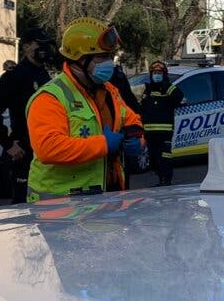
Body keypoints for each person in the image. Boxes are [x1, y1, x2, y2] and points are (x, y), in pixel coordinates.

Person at [26, 18, 144, 199]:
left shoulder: (108, 91)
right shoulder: (50, 97)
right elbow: (48, 148)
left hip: (104, 201)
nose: (109, 63)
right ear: (79, 59)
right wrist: (103, 144)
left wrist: (137, 138)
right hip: (59, 210)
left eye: (109, 57)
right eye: (102, 57)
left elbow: (131, 120)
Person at [0, 28, 56, 202]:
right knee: (23, 204)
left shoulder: (43, 74)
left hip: (43, 148)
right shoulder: (14, 76)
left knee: (44, 200)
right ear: (26, 48)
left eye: (47, 45)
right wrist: (8, 144)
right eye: (40, 45)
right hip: (24, 151)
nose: (44, 49)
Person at [140, 60, 183, 186]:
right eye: (154, 72)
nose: (156, 75)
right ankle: (160, 180)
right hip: (150, 132)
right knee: (154, 158)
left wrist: (165, 85)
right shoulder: (147, 90)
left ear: (164, 74)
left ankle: (166, 180)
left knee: (165, 157)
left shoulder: (168, 88)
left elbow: (178, 96)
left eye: (159, 72)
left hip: (165, 132)